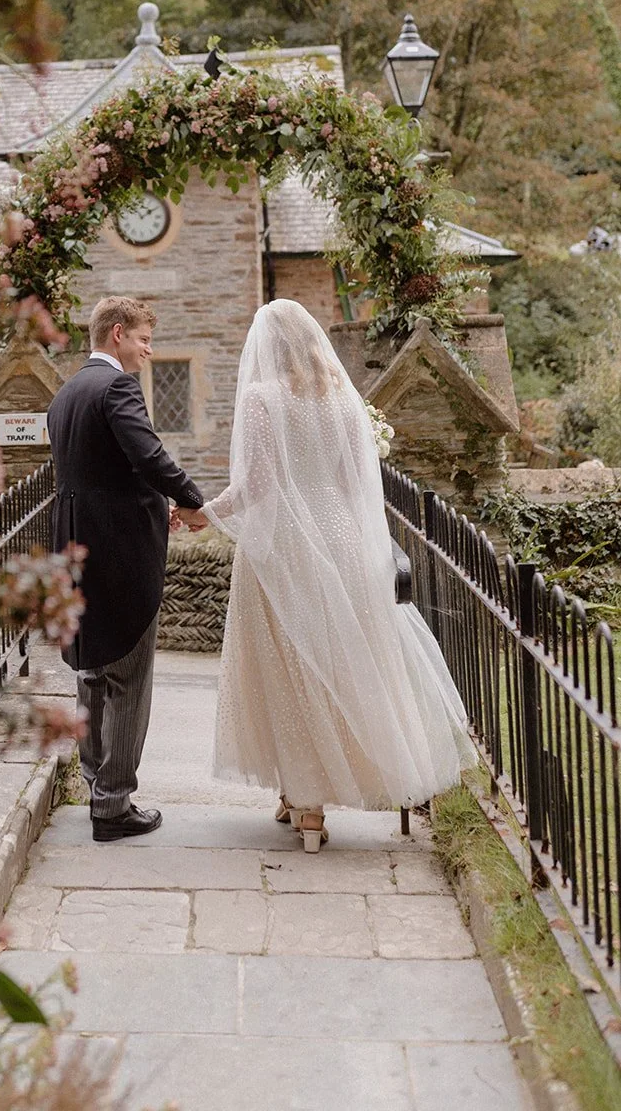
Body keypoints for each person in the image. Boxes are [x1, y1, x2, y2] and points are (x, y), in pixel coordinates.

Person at [203, 300, 476, 853]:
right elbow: (356, 485)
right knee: (341, 662)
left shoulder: (261, 400)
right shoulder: (343, 400)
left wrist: (201, 511)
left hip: (286, 546)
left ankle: (306, 804)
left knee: (289, 669)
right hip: (344, 541)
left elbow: (255, 488)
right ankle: (300, 791)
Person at [48, 296, 208, 841]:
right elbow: (146, 455)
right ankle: (113, 806)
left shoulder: (68, 391)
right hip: (118, 554)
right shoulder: (117, 387)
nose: (148, 350)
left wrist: (152, 502)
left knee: (92, 668)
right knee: (130, 675)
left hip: (74, 550)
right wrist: (190, 498)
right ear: (117, 334)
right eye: (143, 339)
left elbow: (102, 470)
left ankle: (96, 779)